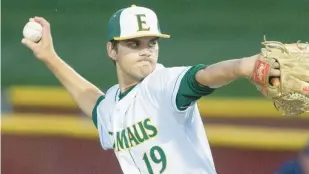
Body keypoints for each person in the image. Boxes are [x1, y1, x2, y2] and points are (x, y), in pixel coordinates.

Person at [21, 4, 280, 174]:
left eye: (152, 43)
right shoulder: (113, 105)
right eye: (134, 44)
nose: (146, 50)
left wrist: (244, 66)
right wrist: (49, 57)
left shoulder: (163, 84)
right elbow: (94, 104)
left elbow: (204, 76)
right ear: (112, 50)